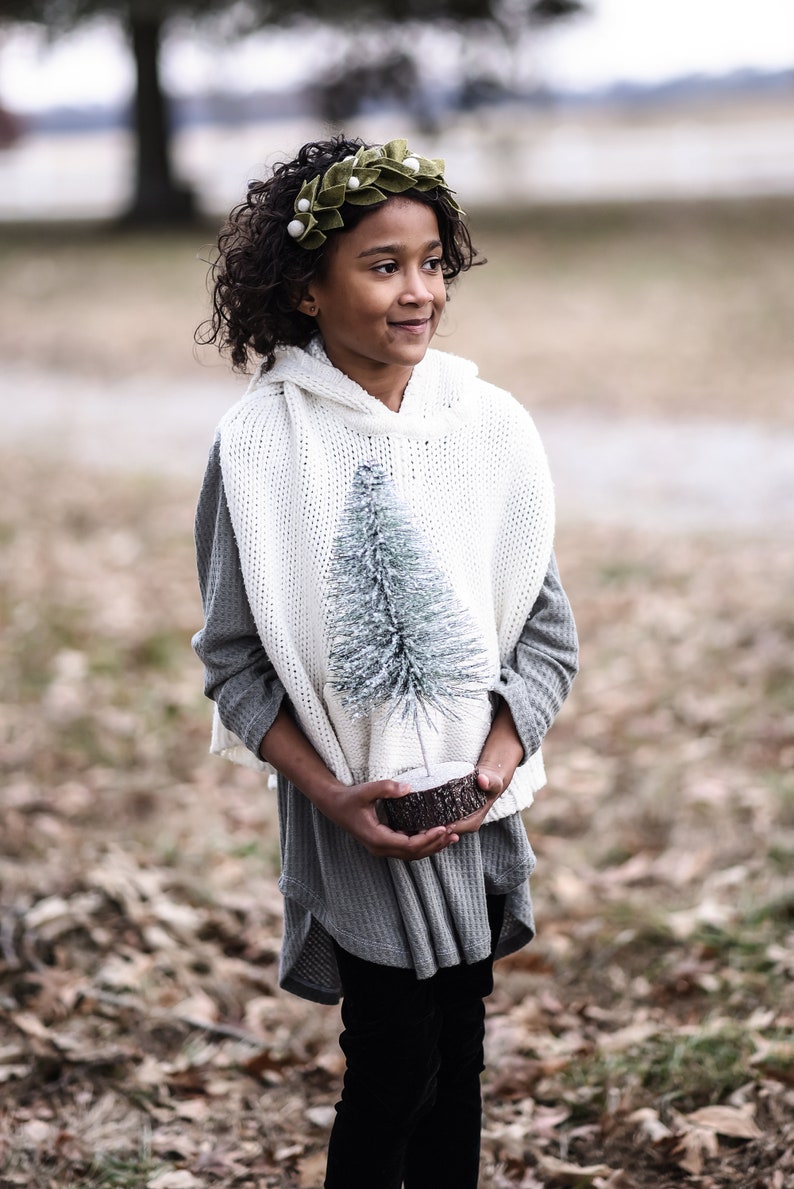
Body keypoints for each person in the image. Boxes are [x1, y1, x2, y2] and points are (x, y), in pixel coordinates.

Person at [192, 134, 578, 1189]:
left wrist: (494, 765)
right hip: (353, 821)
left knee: (459, 1055)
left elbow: (545, 636)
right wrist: (331, 794)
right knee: (392, 1064)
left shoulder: (488, 428)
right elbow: (233, 663)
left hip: (474, 805)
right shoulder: (259, 448)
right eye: (381, 265)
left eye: (432, 261)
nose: (419, 291)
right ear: (304, 290)